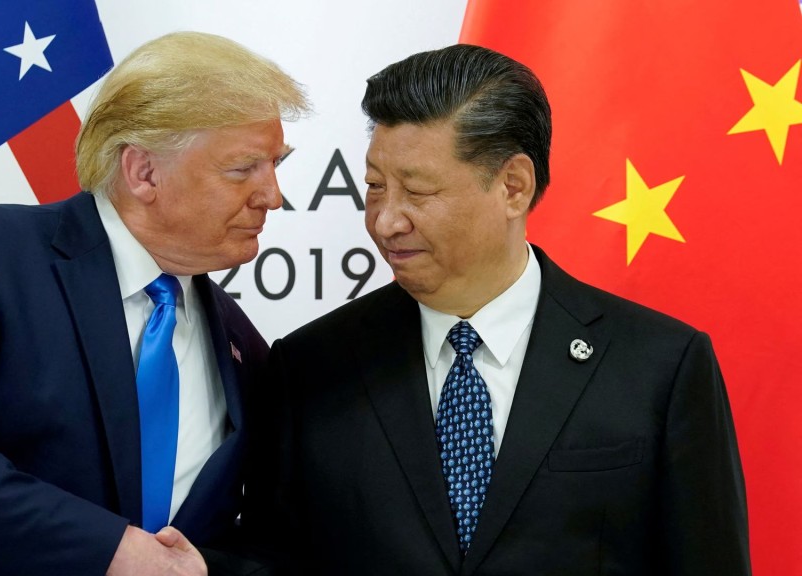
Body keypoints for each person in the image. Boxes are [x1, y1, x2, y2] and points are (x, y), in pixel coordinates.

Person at [250, 43, 750, 575]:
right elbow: (272, 560)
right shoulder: (310, 368)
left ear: (514, 186)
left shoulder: (660, 366)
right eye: (375, 187)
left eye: (417, 191)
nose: (386, 221)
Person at [0, 31, 308, 576]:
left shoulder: (242, 344)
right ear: (143, 171)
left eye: (276, 165)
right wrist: (112, 551)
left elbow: (236, 538)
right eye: (244, 169)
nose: (272, 196)